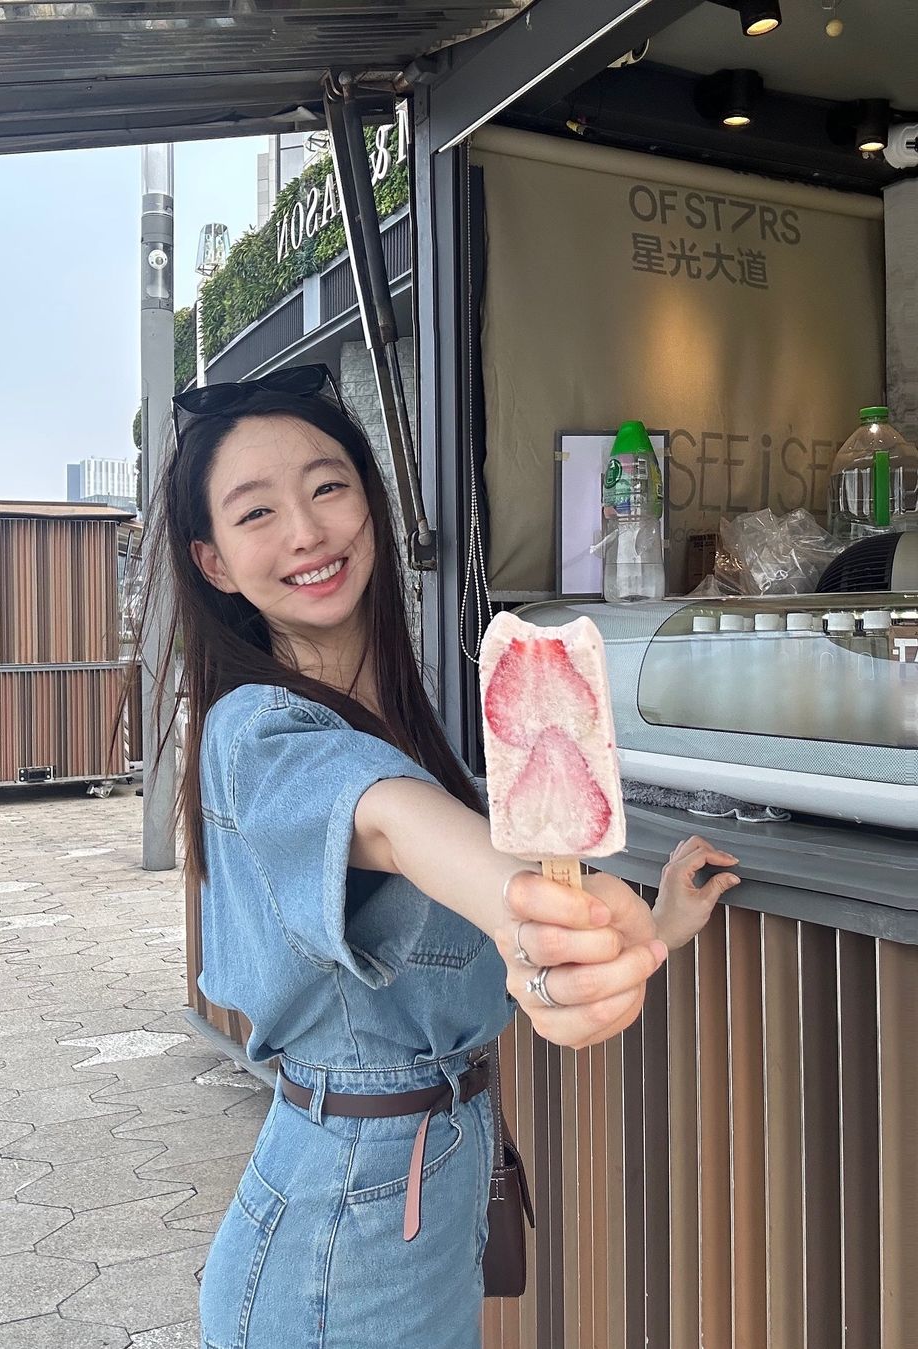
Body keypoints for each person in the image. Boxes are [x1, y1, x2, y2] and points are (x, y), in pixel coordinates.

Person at [144, 365, 739, 1349]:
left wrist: (650, 923)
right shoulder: (256, 734)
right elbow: (392, 823)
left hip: (422, 1189)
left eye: (328, 487)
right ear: (214, 562)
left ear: (371, 507)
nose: (307, 530)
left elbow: (465, 921)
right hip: (336, 1235)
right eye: (257, 513)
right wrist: (525, 905)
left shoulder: (405, 726)